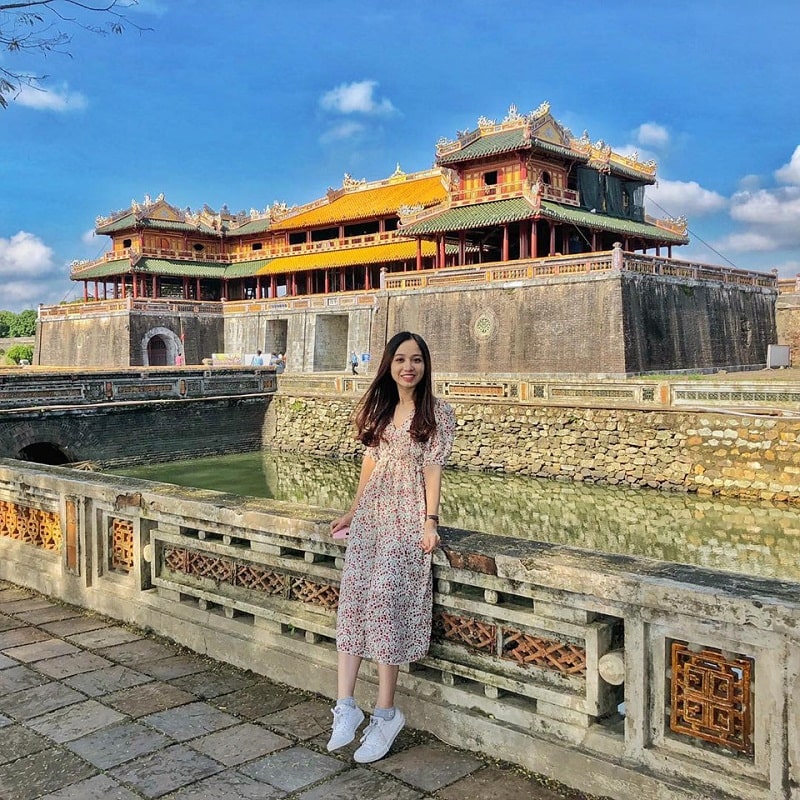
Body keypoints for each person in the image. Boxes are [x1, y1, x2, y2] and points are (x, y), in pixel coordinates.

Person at [328, 331, 456, 763]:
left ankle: (386, 714)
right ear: (389, 364)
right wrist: (353, 509)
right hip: (371, 518)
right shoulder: (380, 407)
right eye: (401, 359)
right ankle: (345, 706)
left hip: (406, 516)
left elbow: (434, 469)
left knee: (385, 602)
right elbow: (371, 460)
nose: (408, 367)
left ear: (425, 365)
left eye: (416, 359)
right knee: (354, 604)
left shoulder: (437, 412)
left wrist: (430, 520)